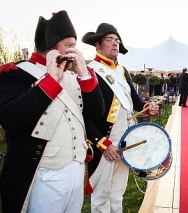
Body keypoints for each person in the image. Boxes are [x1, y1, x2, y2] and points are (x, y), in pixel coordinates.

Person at [0, 11, 105, 213]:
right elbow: (11, 119)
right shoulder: (16, 73)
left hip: (75, 170)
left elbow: (96, 112)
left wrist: (85, 75)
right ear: (50, 47)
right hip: (43, 174)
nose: (74, 50)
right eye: (69, 45)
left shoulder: (73, 75)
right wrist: (49, 81)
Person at [81, 23, 159, 213]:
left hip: (125, 141)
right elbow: (84, 115)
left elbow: (134, 100)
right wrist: (102, 143)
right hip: (104, 143)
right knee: (101, 196)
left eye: (117, 40)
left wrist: (146, 107)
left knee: (117, 193)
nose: (115, 43)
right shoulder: (89, 71)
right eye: (109, 40)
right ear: (97, 45)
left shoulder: (122, 71)